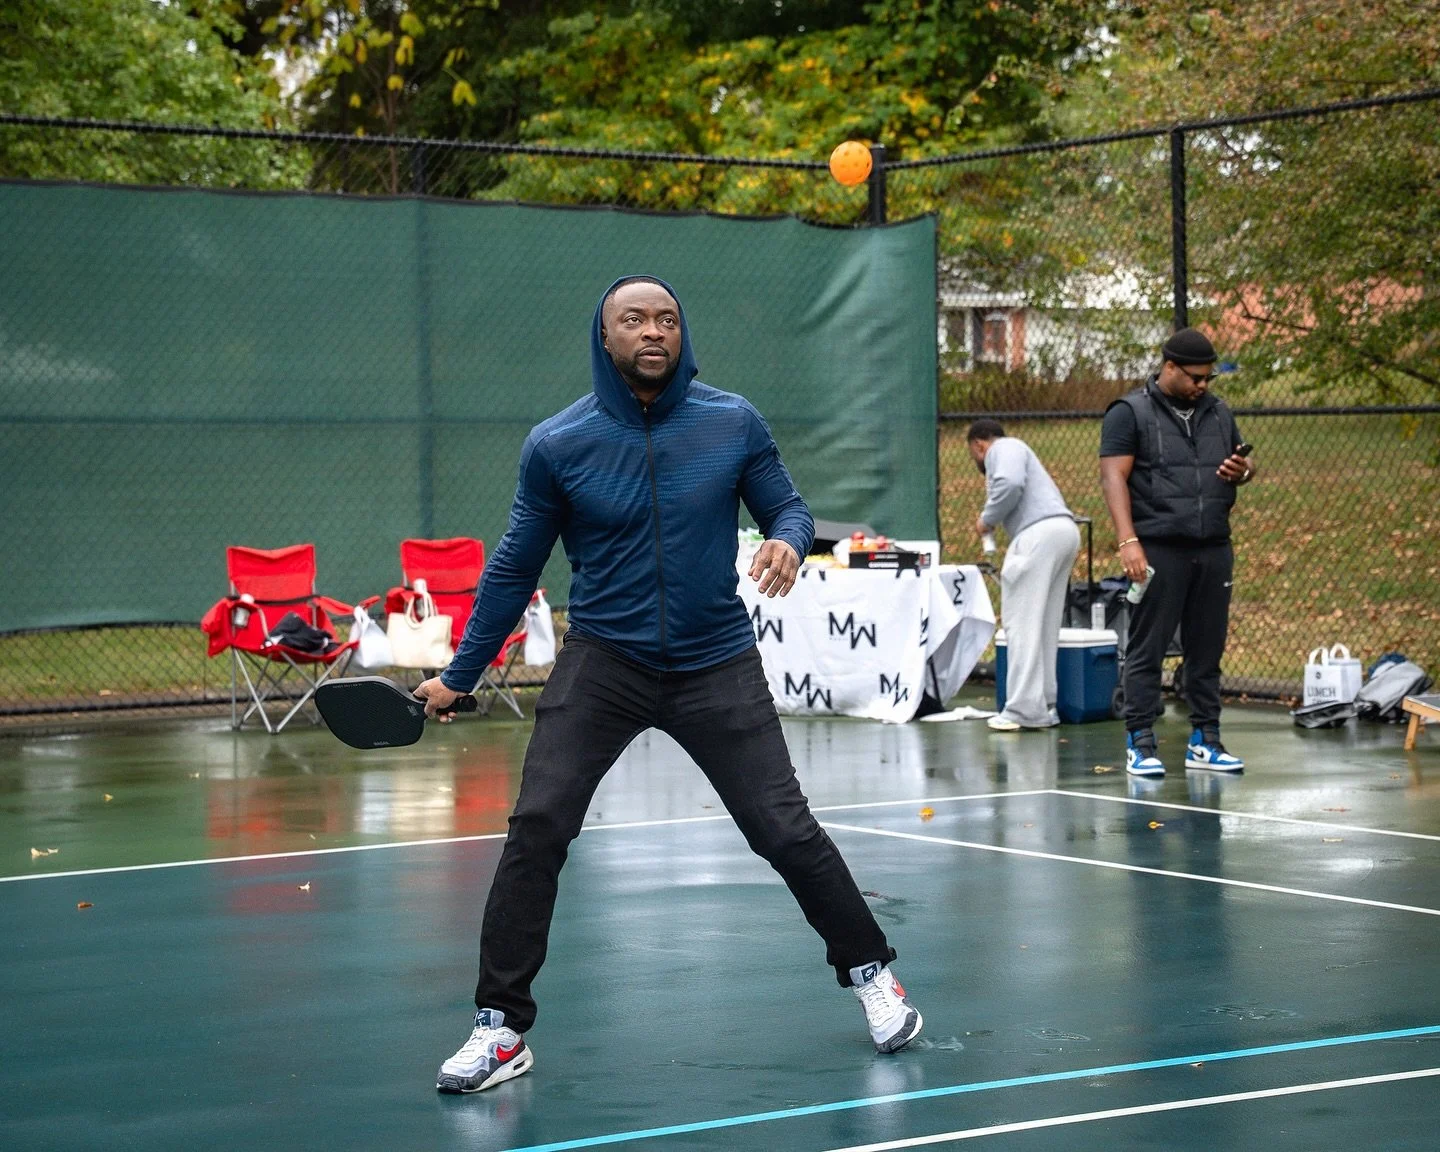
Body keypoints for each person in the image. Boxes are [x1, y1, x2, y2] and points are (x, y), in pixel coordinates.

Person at [417, 275, 923, 1095]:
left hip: (715, 660)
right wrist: (459, 674)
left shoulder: (733, 421)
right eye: (634, 319)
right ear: (605, 336)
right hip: (605, 661)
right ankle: (500, 1028)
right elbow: (513, 567)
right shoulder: (558, 444)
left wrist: (790, 542)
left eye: (667, 319)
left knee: (783, 830)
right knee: (537, 827)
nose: (653, 331)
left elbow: (790, 510)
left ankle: (872, 974)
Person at [1099, 327, 1256, 777]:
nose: (1203, 385)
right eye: (1195, 377)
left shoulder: (1218, 412)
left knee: (1207, 649)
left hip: (1213, 544)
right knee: (1148, 648)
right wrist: (1128, 540)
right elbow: (1112, 477)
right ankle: (1140, 741)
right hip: (1158, 545)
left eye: (1208, 378)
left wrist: (1243, 471)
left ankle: (1205, 739)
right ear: (1170, 368)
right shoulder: (1130, 412)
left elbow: (1243, 466)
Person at [967, 419, 1080, 731]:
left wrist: (987, 519)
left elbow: (1010, 483)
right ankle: (1045, 704)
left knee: (1022, 623)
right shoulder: (1018, 450)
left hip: (1037, 535)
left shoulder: (1002, 448)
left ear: (979, 445)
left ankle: (1022, 709)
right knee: (1044, 624)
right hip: (1062, 531)